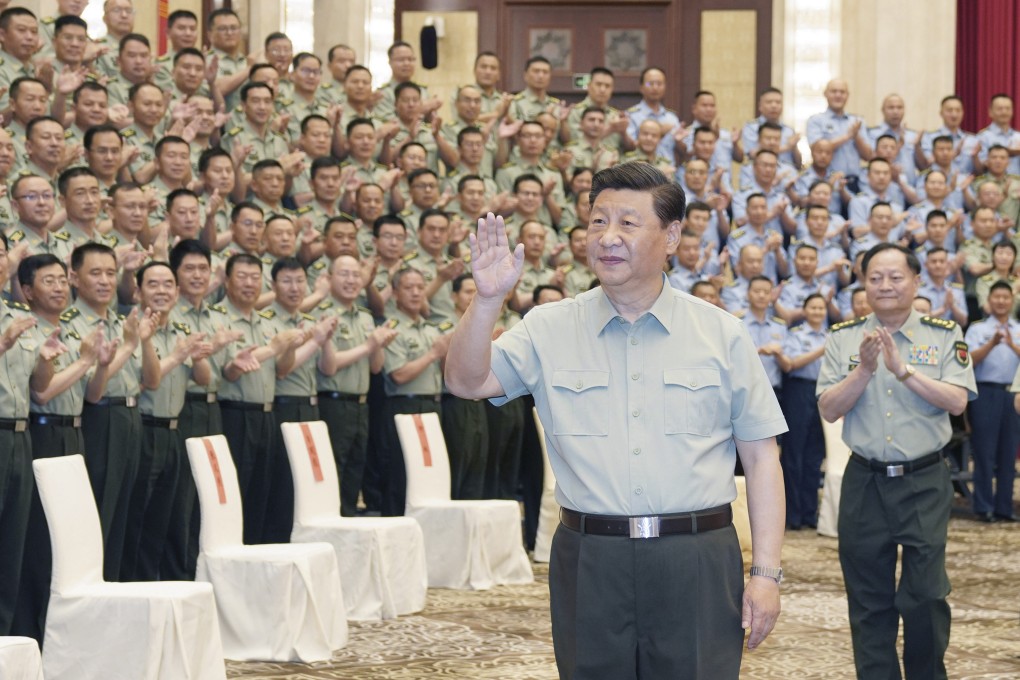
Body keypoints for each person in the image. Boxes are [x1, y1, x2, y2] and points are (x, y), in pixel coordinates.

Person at [445, 163, 786, 678]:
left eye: (628, 223)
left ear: (671, 235)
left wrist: (765, 574)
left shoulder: (721, 333)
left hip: (695, 557)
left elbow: (762, 459)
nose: (608, 237)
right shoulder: (549, 326)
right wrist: (488, 300)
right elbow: (466, 382)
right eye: (597, 221)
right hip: (590, 558)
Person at [816, 242, 976, 680]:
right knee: (868, 597)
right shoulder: (843, 336)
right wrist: (864, 370)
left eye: (895, 277)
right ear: (864, 283)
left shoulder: (944, 335)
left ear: (916, 281)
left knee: (925, 594)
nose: (885, 286)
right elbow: (828, 409)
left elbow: (958, 402)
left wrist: (904, 371)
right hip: (864, 480)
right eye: (875, 278)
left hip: (923, 480)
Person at [963, 280, 1020, 522]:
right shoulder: (977, 329)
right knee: (984, 452)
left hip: (1014, 395)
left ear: (1011, 301)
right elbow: (968, 361)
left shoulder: (1018, 329)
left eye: (1005, 297)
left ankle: (1004, 508)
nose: (1001, 301)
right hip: (985, 392)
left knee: (1009, 453)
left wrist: (1011, 345)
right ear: (989, 300)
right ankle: (983, 506)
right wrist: (992, 344)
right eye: (997, 297)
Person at [779, 294, 829, 530]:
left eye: (822, 308)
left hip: (823, 393)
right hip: (798, 391)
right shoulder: (796, 334)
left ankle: (810, 513)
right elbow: (791, 363)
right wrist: (821, 351)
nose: (818, 312)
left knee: (814, 456)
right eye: (814, 307)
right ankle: (793, 515)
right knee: (794, 454)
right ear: (805, 310)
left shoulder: (832, 335)